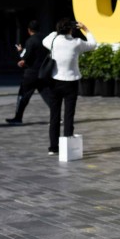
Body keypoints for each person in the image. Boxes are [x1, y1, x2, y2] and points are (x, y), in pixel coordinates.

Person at [43, 19, 98, 154]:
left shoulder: (53, 41)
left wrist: (57, 31)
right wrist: (85, 29)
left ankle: (53, 148)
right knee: (69, 115)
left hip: (55, 81)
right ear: (71, 30)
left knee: (54, 116)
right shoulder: (76, 43)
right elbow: (93, 44)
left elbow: (46, 38)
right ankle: (67, 144)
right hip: (71, 82)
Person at [6, 20, 52, 124]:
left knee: (23, 95)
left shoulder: (31, 41)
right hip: (43, 72)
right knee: (47, 95)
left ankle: (18, 118)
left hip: (31, 73)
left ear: (29, 30)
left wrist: (20, 51)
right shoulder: (46, 39)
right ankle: (57, 117)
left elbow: (25, 56)